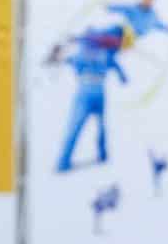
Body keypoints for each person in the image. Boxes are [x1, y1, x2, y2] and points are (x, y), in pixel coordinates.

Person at [49, 25, 127, 172]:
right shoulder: (105, 53)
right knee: (100, 125)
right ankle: (102, 155)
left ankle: (63, 162)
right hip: (99, 91)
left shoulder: (83, 52)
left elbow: (64, 59)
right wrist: (123, 77)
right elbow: (117, 67)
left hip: (85, 90)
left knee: (76, 126)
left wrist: (55, 55)